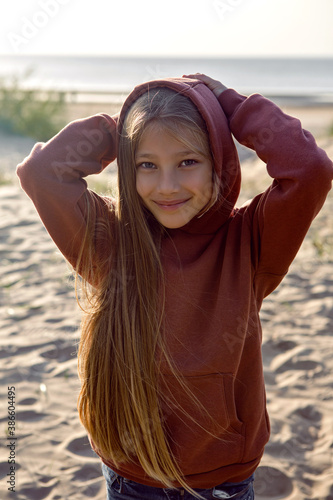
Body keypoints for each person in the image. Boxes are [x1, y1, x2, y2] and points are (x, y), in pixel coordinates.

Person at [17, 73, 333, 500]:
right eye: (146, 164)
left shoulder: (251, 243)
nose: (166, 187)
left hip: (222, 480)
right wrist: (129, 122)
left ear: (218, 160)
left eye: (187, 162)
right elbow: (41, 173)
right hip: (131, 475)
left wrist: (232, 107)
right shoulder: (112, 241)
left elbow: (310, 170)